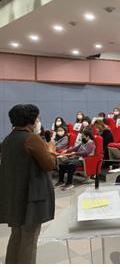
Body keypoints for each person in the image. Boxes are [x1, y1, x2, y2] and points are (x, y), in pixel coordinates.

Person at [0, 104, 56, 263]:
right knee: (29, 240)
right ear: (30, 120)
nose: (38, 120)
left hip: (15, 196)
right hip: (32, 197)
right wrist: (51, 148)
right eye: (37, 118)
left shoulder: (8, 139)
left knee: (16, 237)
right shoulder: (31, 138)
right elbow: (49, 164)